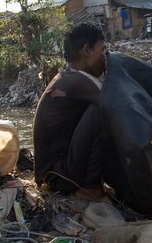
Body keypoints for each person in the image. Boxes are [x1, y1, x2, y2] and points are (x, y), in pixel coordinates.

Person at [33, 23, 107, 199]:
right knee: (102, 112)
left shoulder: (70, 76)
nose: (105, 57)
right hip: (59, 177)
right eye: (102, 50)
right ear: (87, 50)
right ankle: (89, 189)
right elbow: (117, 108)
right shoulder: (78, 81)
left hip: (53, 174)